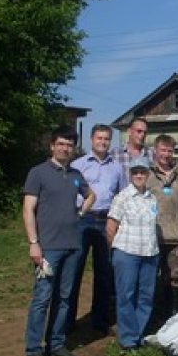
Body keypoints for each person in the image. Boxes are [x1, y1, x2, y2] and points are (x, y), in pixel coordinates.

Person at [23, 125, 95, 356]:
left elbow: (90, 195)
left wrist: (81, 211)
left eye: (69, 145)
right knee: (42, 299)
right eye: (61, 144)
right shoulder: (38, 173)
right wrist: (34, 243)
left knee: (64, 298)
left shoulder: (75, 174)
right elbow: (28, 209)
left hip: (73, 246)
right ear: (52, 146)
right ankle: (34, 350)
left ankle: (57, 344)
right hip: (48, 248)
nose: (65, 148)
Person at [68, 124, 123, 335]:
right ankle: (68, 321)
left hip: (106, 221)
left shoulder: (117, 168)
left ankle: (99, 321)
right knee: (74, 270)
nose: (103, 142)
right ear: (91, 140)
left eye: (107, 139)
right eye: (99, 138)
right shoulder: (78, 165)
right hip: (82, 220)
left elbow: (121, 195)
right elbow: (70, 193)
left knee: (104, 272)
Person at [106, 157, 158, 351]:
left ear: (148, 174)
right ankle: (128, 339)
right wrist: (115, 252)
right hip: (127, 253)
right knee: (126, 296)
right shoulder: (122, 197)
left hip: (150, 253)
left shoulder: (152, 198)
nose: (139, 175)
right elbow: (111, 227)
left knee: (146, 296)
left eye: (142, 172)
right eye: (135, 172)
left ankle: (138, 333)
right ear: (130, 174)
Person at [146, 134, 178, 317]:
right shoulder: (148, 175)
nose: (166, 154)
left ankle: (171, 312)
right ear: (155, 151)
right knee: (152, 276)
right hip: (153, 235)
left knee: (174, 276)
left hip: (175, 235)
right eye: (163, 150)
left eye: (170, 151)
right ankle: (153, 313)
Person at [110, 117, 154, 188]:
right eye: (139, 131)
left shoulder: (151, 154)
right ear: (129, 131)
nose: (142, 135)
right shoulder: (115, 154)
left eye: (145, 132)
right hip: (122, 197)